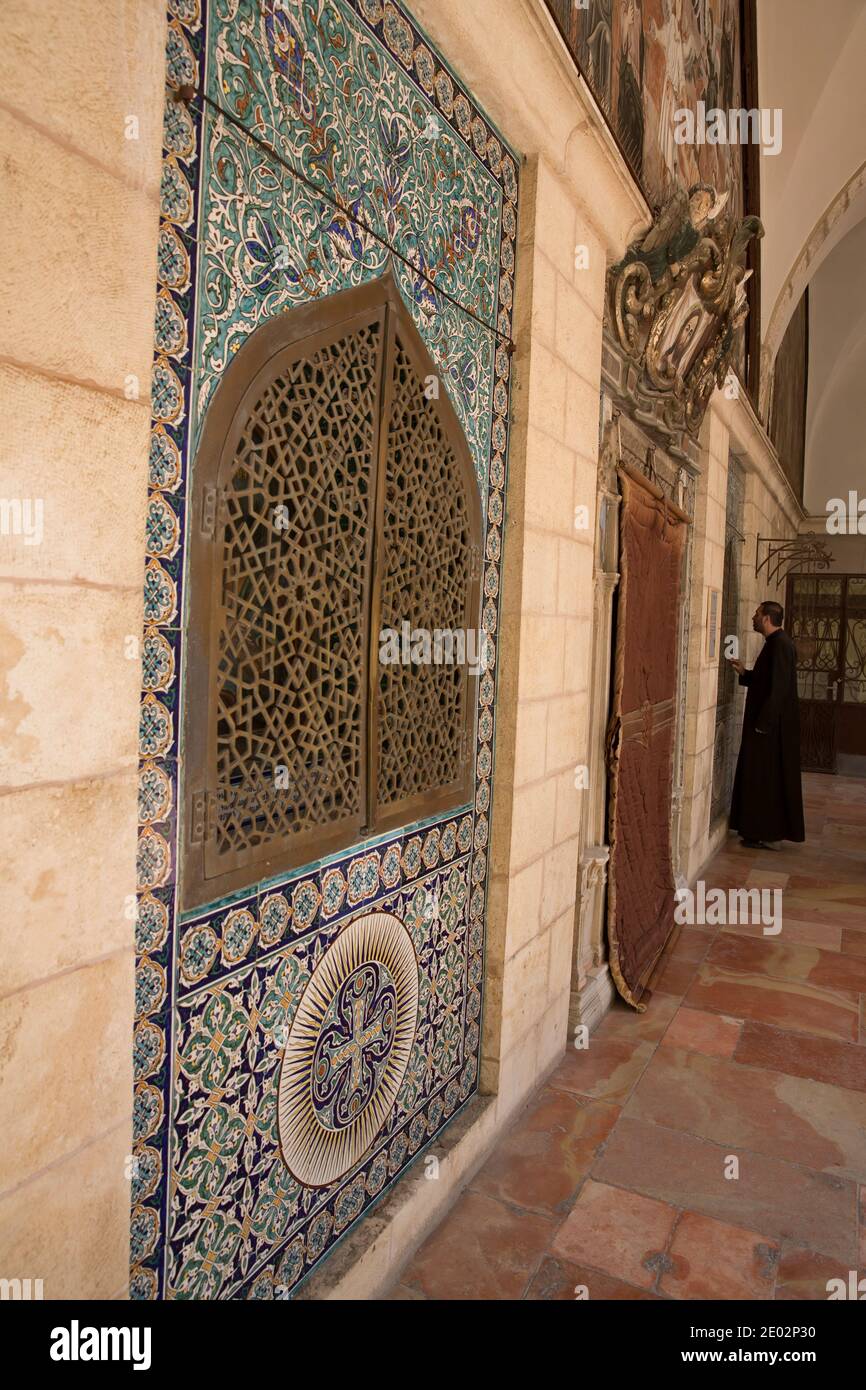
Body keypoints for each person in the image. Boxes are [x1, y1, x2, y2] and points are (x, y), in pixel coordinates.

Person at [728, 601, 805, 849]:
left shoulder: (781, 645)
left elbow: (779, 690)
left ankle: (766, 832)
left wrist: (764, 724)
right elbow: (766, 682)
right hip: (766, 726)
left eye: (757, 614)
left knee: (766, 779)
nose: (753, 617)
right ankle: (755, 830)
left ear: (767, 619)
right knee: (759, 778)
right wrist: (745, 673)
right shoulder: (775, 644)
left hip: (770, 729)